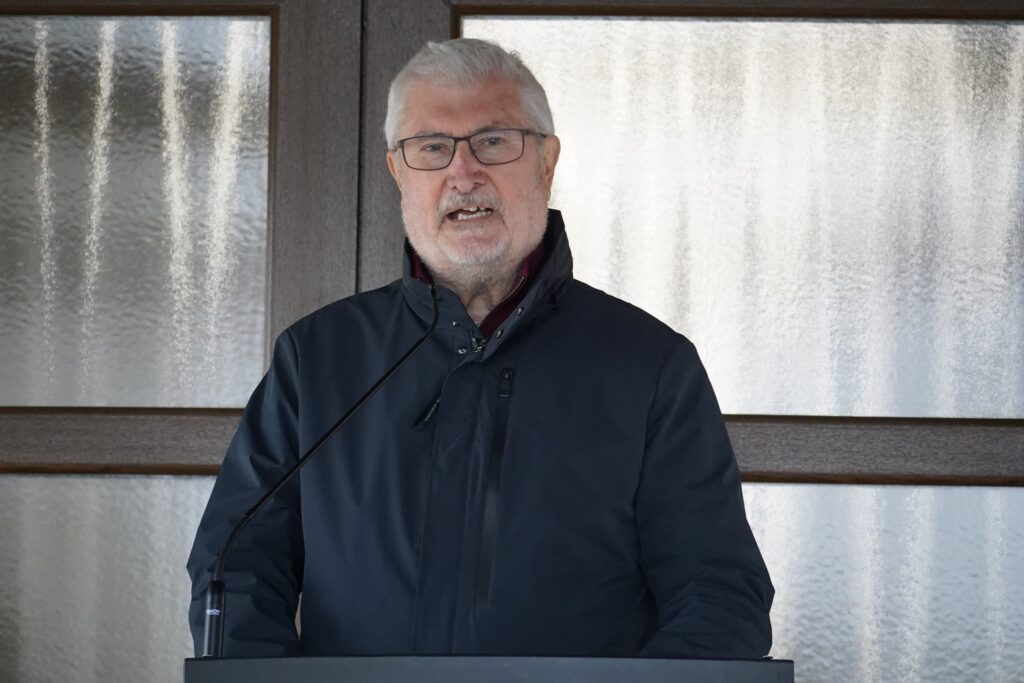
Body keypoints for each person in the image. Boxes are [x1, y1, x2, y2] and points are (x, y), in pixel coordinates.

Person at [188, 37, 773, 659]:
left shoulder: (650, 367)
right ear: (398, 172)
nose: (463, 173)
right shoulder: (317, 359)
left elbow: (718, 597)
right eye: (431, 147)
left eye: (493, 141)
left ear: (547, 162)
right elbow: (237, 567)